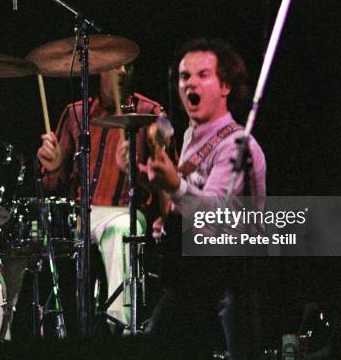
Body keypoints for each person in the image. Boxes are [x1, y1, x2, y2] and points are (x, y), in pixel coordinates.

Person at [142, 38, 266, 359]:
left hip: (231, 280)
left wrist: (176, 187)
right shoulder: (190, 136)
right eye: (184, 77)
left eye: (202, 75)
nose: (190, 84)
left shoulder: (237, 145)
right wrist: (167, 217)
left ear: (225, 86)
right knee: (155, 342)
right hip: (196, 277)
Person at [36, 63, 163, 329]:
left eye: (128, 64)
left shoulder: (149, 113)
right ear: (100, 68)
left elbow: (166, 180)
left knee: (120, 228)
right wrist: (55, 165)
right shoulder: (76, 113)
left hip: (124, 211)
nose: (122, 71)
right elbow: (52, 185)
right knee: (24, 234)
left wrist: (138, 171)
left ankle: (119, 326)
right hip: (79, 215)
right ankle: (13, 329)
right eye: (115, 65)